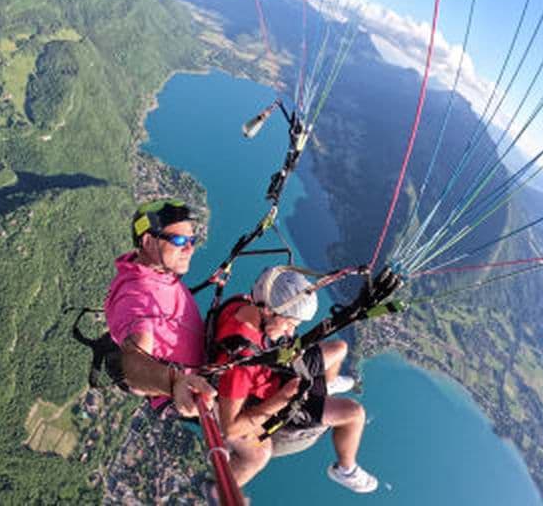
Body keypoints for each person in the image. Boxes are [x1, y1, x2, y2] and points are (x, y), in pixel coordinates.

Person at [213, 266, 378, 493]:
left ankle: (326, 387)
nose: (291, 331)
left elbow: (265, 342)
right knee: (354, 414)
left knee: (339, 349)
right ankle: (345, 469)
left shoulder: (244, 306)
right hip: (273, 394)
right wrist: (282, 398)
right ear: (269, 311)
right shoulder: (241, 361)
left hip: (276, 367)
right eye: (290, 322)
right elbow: (230, 428)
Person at [103, 198, 215, 417]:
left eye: (193, 240)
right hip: (196, 389)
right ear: (148, 242)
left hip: (204, 367)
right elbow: (133, 362)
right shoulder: (136, 296)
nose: (190, 249)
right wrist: (175, 383)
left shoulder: (157, 272)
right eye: (180, 240)